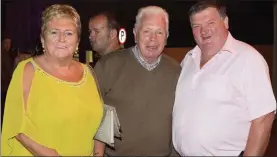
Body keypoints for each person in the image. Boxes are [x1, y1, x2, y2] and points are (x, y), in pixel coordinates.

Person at [173, 0, 276, 156]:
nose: (204, 31)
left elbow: (264, 118)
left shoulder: (247, 59)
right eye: (196, 26)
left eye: (210, 23)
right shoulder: (188, 60)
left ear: (225, 22)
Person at [1, 4, 103, 156]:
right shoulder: (27, 70)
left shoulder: (89, 72)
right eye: (54, 32)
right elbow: (14, 125)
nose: (61, 39)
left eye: (69, 33)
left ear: (77, 41)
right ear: (43, 39)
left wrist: (98, 151)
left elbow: (101, 118)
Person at [94, 6, 181, 156]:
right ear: (135, 34)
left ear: (166, 36)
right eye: (146, 31)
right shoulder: (108, 66)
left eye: (159, 32)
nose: (153, 39)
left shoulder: (176, 71)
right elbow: (92, 116)